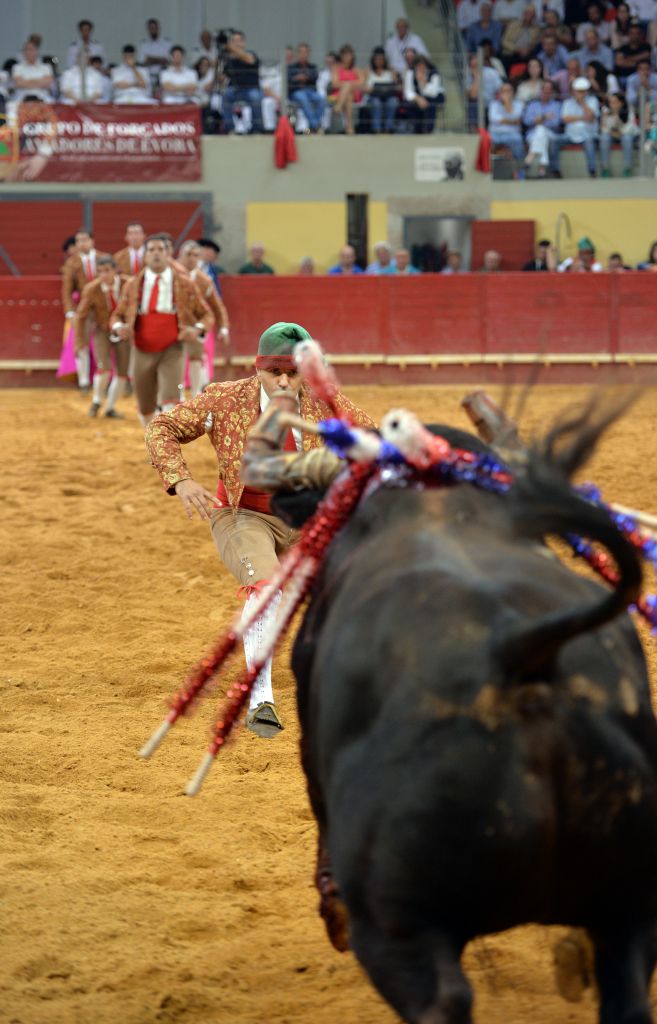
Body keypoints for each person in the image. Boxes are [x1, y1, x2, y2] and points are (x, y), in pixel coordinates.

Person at [144, 322, 374, 737]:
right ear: (258, 368)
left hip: (306, 518)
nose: (285, 381)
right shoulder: (226, 398)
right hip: (242, 512)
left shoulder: (326, 402)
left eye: (293, 372)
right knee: (267, 588)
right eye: (275, 373)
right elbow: (162, 428)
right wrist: (181, 480)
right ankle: (260, 697)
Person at [110, 235, 212, 426]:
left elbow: (207, 315)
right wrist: (119, 328)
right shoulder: (133, 285)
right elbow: (116, 316)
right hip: (142, 348)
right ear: (145, 256)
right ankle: (154, 442)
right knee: (145, 406)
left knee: (170, 400)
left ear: (168, 254)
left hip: (172, 347)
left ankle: (164, 449)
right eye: (152, 250)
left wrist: (197, 330)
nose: (156, 254)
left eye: (160, 250)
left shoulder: (184, 284)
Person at [74, 257, 130, 418]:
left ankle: (110, 407)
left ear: (115, 270)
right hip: (102, 330)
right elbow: (81, 315)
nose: (103, 275)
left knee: (122, 373)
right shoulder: (92, 289)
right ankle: (97, 401)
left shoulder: (128, 284)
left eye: (107, 270)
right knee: (103, 367)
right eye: (100, 271)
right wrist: (79, 340)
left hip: (123, 332)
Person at [178, 240, 230, 395]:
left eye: (196, 255)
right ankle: (176, 395)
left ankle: (195, 395)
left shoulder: (204, 280)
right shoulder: (172, 276)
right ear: (180, 256)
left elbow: (217, 305)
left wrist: (224, 327)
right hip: (175, 325)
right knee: (175, 360)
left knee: (196, 359)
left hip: (196, 326)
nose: (192, 259)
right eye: (188, 255)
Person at [62, 229, 110, 392]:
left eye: (85, 240)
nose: (82, 244)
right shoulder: (71, 263)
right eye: (79, 241)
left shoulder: (104, 258)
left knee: (105, 342)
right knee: (81, 344)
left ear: (92, 241)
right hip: (83, 309)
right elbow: (67, 289)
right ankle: (84, 381)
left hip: (103, 308)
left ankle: (105, 378)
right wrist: (70, 311)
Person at [222, 31, 264, 134]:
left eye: (238, 40)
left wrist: (231, 48)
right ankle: (230, 128)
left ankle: (257, 128)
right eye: (233, 41)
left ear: (244, 42)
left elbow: (249, 60)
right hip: (235, 89)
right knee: (225, 95)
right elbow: (223, 76)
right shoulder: (229, 59)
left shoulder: (251, 54)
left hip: (251, 88)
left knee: (255, 97)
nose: (236, 43)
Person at [558, 76, 600, 177]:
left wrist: (582, 102)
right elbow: (565, 119)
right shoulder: (567, 102)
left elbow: (590, 117)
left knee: (589, 142)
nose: (579, 93)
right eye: (578, 91)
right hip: (569, 135)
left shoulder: (593, 100)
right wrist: (582, 117)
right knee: (554, 141)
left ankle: (592, 170)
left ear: (586, 91)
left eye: (582, 91)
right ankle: (555, 170)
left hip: (588, 134)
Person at [523, 79, 562, 175]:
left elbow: (555, 123)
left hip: (551, 134)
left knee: (541, 130)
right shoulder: (532, 105)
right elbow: (526, 121)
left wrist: (538, 120)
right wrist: (545, 117)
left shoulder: (557, 105)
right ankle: (542, 167)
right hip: (532, 135)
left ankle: (530, 157)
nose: (546, 92)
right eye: (544, 90)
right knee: (541, 132)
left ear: (552, 92)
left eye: (549, 90)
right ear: (540, 91)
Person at [288, 43, 326, 133]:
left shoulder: (313, 67)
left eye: (305, 52)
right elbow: (289, 81)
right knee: (302, 98)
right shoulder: (291, 67)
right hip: (296, 92)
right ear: (297, 54)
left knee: (322, 100)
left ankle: (313, 126)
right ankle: (315, 126)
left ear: (308, 54)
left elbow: (314, 77)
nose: (303, 55)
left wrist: (302, 77)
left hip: (311, 92)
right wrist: (297, 78)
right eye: (301, 52)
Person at [329, 44, 365, 135]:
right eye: (344, 55)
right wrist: (349, 84)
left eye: (348, 55)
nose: (346, 57)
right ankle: (350, 128)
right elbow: (334, 84)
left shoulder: (357, 70)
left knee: (348, 88)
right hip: (338, 94)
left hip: (355, 95)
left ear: (352, 56)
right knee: (348, 95)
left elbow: (361, 84)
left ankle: (338, 108)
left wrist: (347, 84)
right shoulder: (336, 68)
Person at [402, 55, 444, 134]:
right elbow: (408, 91)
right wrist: (419, 98)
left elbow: (433, 92)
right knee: (410, 104)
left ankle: (429, 129)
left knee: (431, 104)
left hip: (432, 97)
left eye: (423, 65)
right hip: (417, 98)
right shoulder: (410, 73)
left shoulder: (434, 74)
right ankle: (416, 128)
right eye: (418, 66)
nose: (421, 68)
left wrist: (423, 81)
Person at [364, 47, 399, 134]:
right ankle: (377, 130)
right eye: (377, 59)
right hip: (373, 97)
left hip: (388, 97)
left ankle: (388, 129)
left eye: (381, 59)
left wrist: (393, 71)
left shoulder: (389, 72)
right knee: (376, 103)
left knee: (393, 101)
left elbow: (396, 86)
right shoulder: (369, 72)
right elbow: (365, 88)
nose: (379, 61)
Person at [488, 81, 525, 161]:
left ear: (513, 92)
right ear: (500, 93)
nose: (506, 94)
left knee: (517, 140)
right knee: (486, 141)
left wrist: (507, 103)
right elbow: (494, 119)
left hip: (512, 134)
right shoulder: (493, 104)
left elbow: (517, 117)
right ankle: (488, 169)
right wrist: (513, 122)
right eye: (503, 91)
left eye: (508, 91)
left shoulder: (519, 104)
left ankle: (518, 169)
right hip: (494, 133)